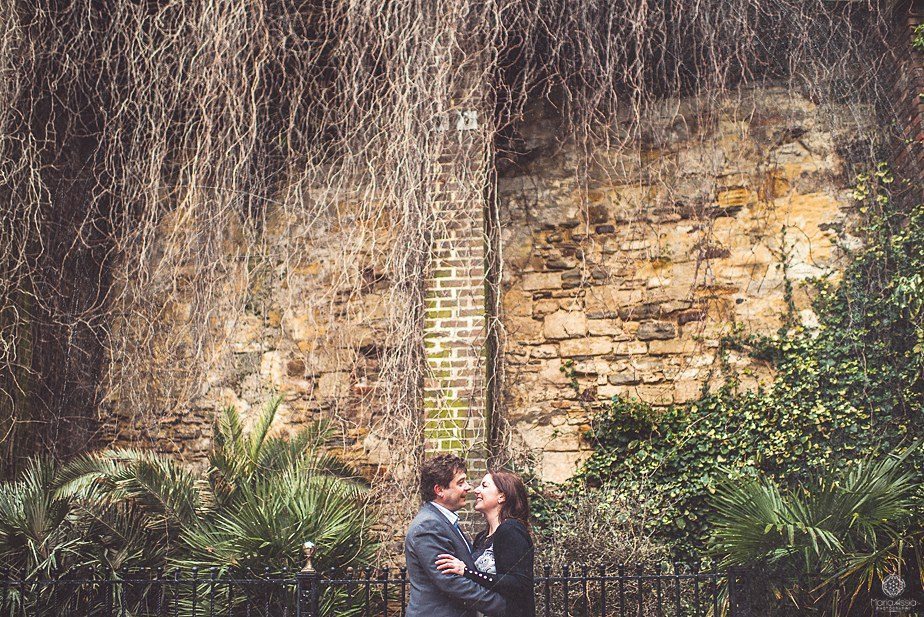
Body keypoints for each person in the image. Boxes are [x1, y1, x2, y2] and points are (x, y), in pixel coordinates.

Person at [405, 454, 508, 617]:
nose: (468, 487)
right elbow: (452, 582)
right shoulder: (428, 526)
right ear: (439, 490)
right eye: (460, 483)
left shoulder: (443, 522)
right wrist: (504, 606)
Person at [434, 470, 535, 617]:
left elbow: (519, 583)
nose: (476, 490)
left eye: (484, 486)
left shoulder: (511, 529)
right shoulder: (482, 537)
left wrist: (467, 572)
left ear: (502, 496)